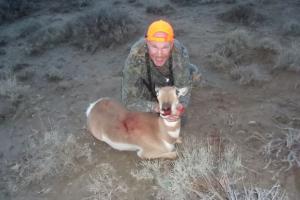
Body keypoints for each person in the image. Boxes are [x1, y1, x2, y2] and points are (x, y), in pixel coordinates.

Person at [121, 19, 199, 117]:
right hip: (149, 81)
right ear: (147, 43)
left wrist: (179, 107)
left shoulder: (179, 52)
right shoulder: (136, 54)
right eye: (154, 47)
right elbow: (129, 100)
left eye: (165, 47)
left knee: (196, 77)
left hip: (171, 79)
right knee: (142, 101)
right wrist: (156, 107)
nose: (159, 54)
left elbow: (183, 89)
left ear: (171, 45)